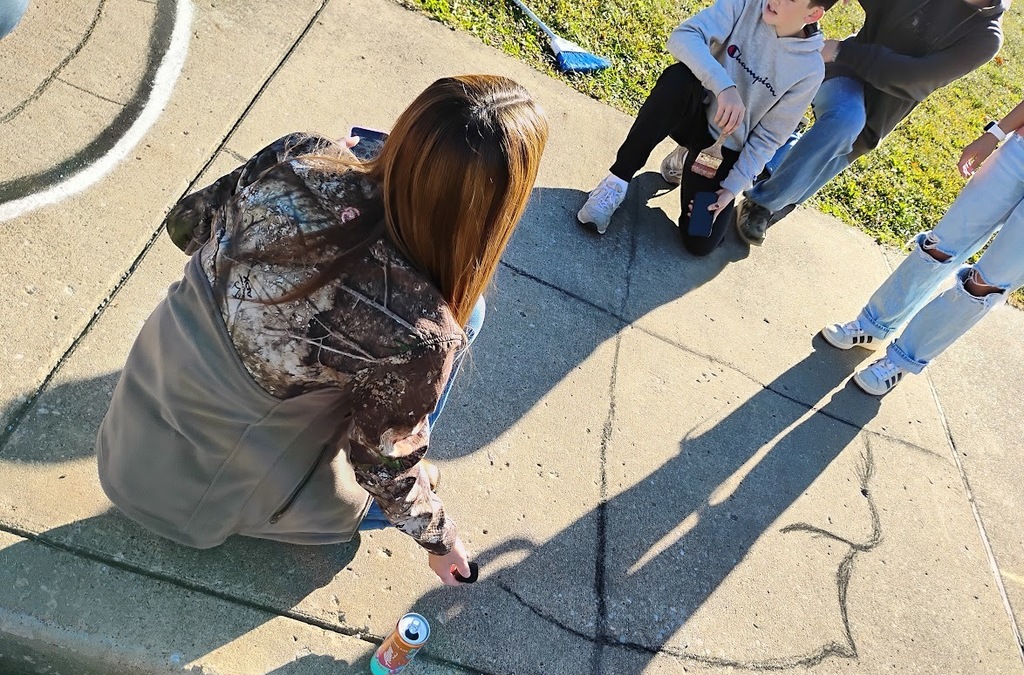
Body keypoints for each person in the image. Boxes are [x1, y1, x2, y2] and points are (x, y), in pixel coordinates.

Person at [96, 75, 548, 585]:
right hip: (190, 501)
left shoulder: (297, 155)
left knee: (450, 326)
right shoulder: (422, 330)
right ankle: (403, 436)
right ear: (495, 206)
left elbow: (186, 228)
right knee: (462, 329)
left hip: (132, 430)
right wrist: (442, 541)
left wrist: (313, 175)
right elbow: (381, 472)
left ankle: (394, 428)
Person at [577, 0, 839, 256]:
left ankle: (687, 162)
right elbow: (683, 36)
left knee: (700, 242)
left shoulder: (810, 70)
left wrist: (732, 188)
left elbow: (769, 137)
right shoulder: (746, 4)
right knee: (678, 79)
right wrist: (723, 86)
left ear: (813, 14)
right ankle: (616, 182)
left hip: (723, 148)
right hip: (692, 111)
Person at [735, 0, 1006, 247]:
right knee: (844, 122)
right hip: (845, 71)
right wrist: (804, 12)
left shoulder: (986, 36)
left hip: (881, 108)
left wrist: (843, 50)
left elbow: (915, 77)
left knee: (821, 164)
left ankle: (784, 157)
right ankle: (761, 203)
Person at [821, 95, 1024, 396]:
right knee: (939, 246)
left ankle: (902, 360)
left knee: (984, 286)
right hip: (1018, 154)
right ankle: (874, 325)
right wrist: (994, 134)